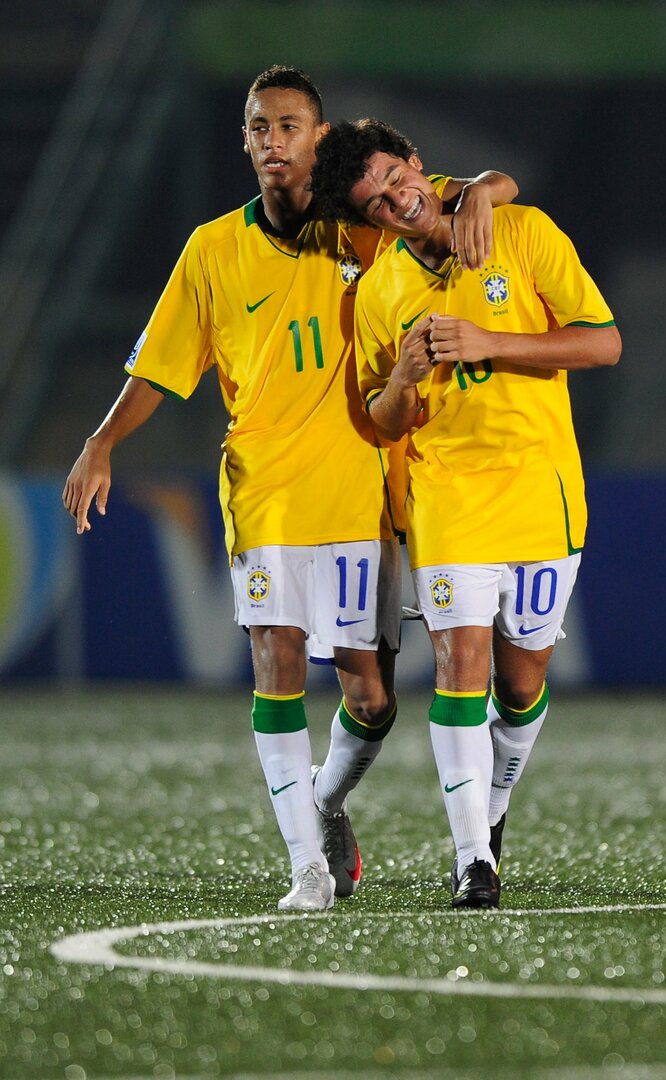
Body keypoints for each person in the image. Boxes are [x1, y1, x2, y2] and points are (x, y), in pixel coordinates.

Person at [62, 68, 519, 912]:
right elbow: (159, 367)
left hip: (360, 483)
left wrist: (485, 191)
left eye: (288, 125)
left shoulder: (364, 222)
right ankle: (306, 867)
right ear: (243, 140)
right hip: (263, 485)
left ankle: (324, 803)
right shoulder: (211, 249)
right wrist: (101, 441)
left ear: (319, 137)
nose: (273, 140)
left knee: (370, 699)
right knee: (275, 660)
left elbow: (461, 191)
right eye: (258, 127)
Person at [310, 119, 622, 909]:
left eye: (396, 179)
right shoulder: (378, 291)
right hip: (447, 495)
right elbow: (380, 420)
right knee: (459, 671)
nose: (397, 202)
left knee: (520, 686)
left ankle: (493, 806)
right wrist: (402, 382)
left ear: (416, 163)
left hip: (541, 488)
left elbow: (601, 344)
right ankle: (470, 858)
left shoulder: (521, 230)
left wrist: (490, 342)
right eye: (376, 204)